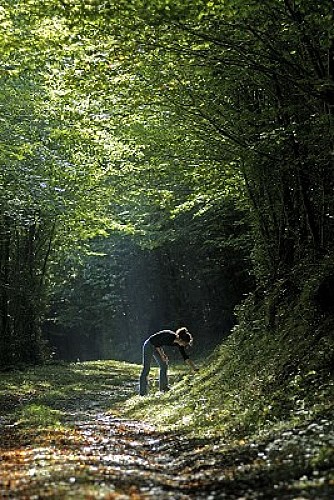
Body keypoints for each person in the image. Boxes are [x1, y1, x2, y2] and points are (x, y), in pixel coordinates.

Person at [139, 327, 198, 396]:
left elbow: (185, 357)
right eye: (185, 343)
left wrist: (195, 369)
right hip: (149, 345)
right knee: (146, 368)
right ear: (181, 340)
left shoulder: (178, 344)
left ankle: (163, 388)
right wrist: (162, 355)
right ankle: (142, 393)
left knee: (164, 365)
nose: (185, 345)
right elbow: (157, 344)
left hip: (157, 347)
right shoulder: (170, 336)